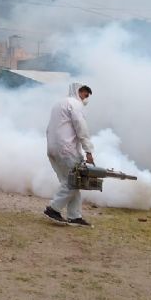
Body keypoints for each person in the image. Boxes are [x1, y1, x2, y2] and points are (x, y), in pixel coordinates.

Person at [43, 83, 95, 227]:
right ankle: (53, 209)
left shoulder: (59, 104)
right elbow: (81, 129)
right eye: (85, 94)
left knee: (71, 182)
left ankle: (74, 216)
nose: (86, 98)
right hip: (66, 149)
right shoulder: (75, 105)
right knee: (73, 182)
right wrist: (89, 151)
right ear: (78, 91)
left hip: (53, 148)